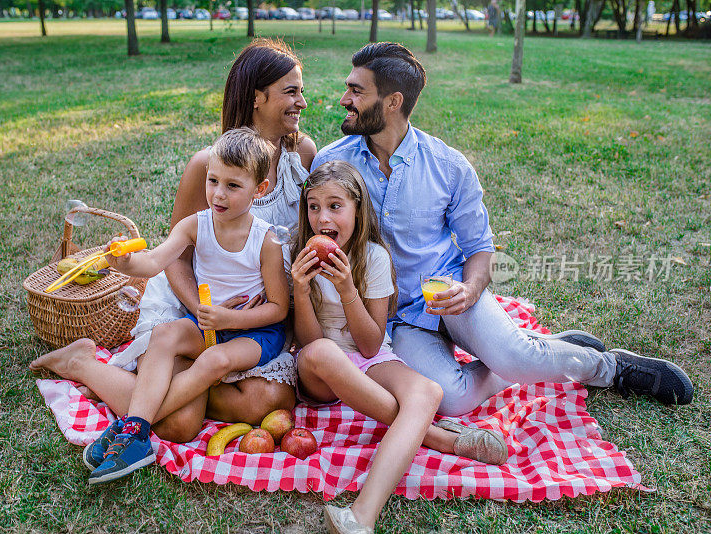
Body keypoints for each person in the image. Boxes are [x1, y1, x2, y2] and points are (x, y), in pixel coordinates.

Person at [311, 42, 694, 419]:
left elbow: (480, 247)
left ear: (393, 102)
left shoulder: (448, 165)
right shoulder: (333, 162)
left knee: (514, 357)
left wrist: (470, 289)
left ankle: (610, 368)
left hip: (447, 290)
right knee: (452, 400)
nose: (344, 98)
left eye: (356, 90)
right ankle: (533, 354)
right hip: (396, 318)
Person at [30, 39, 316, 438]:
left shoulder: (302, 152)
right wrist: (206, 310)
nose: (303, 101)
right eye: (292, 91)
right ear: (257, 97)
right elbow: (177, 259)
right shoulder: (207, 165)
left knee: (263, 401)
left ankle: (145, 394)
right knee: (179, 425)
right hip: (194, 307)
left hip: (257, 317)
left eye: (300, 90)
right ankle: (86, 366)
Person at [291, 161, 507, 534]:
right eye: (314, 206)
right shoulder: (299, 256)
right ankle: (439, 437)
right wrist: (299, 288)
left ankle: (360, 517)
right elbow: (309, 345)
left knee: (429, 391)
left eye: (335, 206)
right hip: (321, 369)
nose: (322, 216)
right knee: (324, 352)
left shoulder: (374, 257)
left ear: (358, 210)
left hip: (367, 356)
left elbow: (372, 345)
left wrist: (347, 291)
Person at [87, 127, 290, 484]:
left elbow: (278, 309)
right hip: (210, 322)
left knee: (214, 359)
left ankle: (129, 430)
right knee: (165, 335)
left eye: (233, 185)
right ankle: (135, 433)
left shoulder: (267, 240)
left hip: (255, 332)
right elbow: (153, 262)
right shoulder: (195, 226)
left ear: (259, 190)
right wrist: (124, 262)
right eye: (213, 181)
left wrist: (229, 317)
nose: (219, 194)